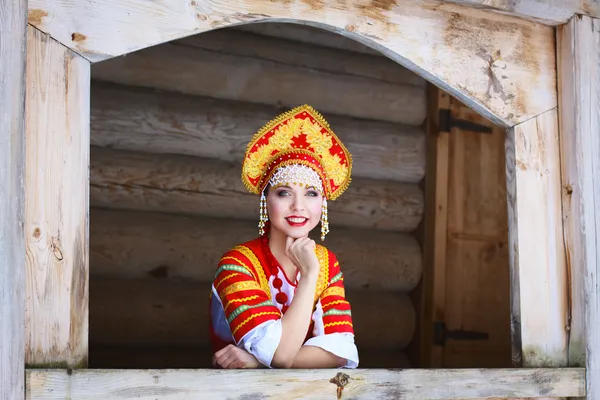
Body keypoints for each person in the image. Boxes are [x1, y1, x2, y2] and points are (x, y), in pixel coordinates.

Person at [208, 104, 359, 369]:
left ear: (323, 202)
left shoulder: (325, 262)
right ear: (265, 200)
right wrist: (310, 276)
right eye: (284, 192)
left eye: (311, 193)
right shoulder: (237, 264)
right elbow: (279, 355)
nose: (299, 206)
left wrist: (258, 360)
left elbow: (340, 351)